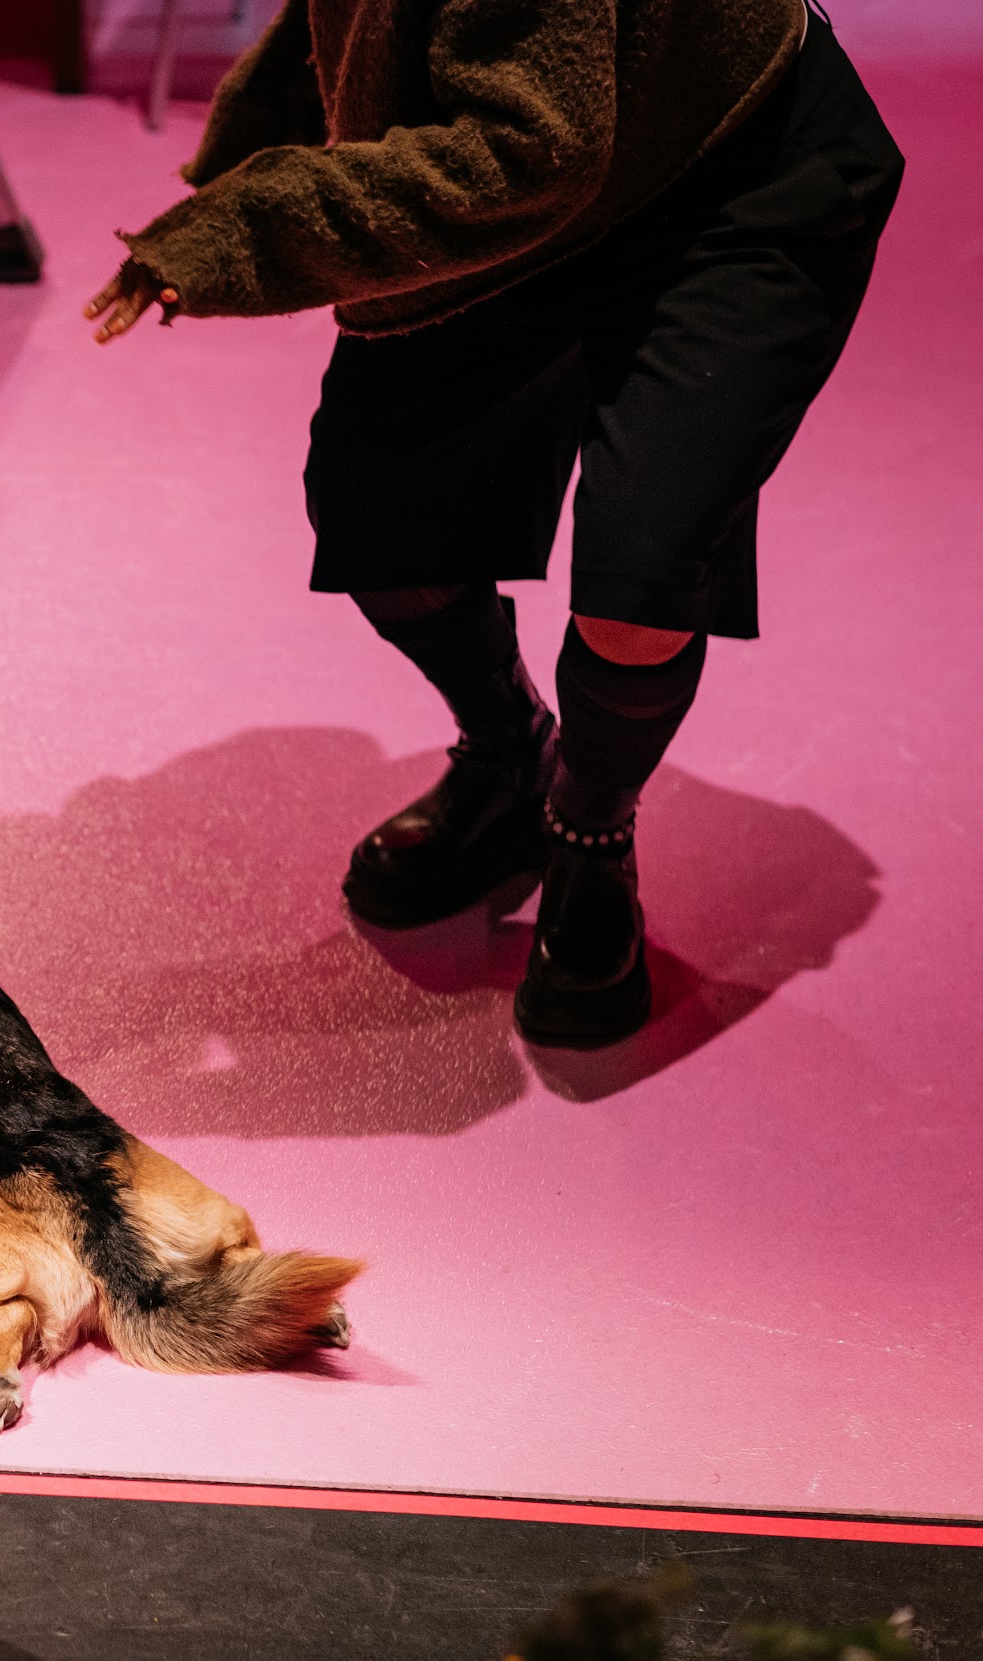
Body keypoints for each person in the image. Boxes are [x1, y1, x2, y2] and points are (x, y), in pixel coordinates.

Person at [86, 0, 903, 1047]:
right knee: (377, 509)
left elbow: (533, 152)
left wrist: (250, 222)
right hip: (541, 160)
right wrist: (260, 127)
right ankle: (512, 754)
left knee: (643, 565)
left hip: (721, 173)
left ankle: (589, 825)